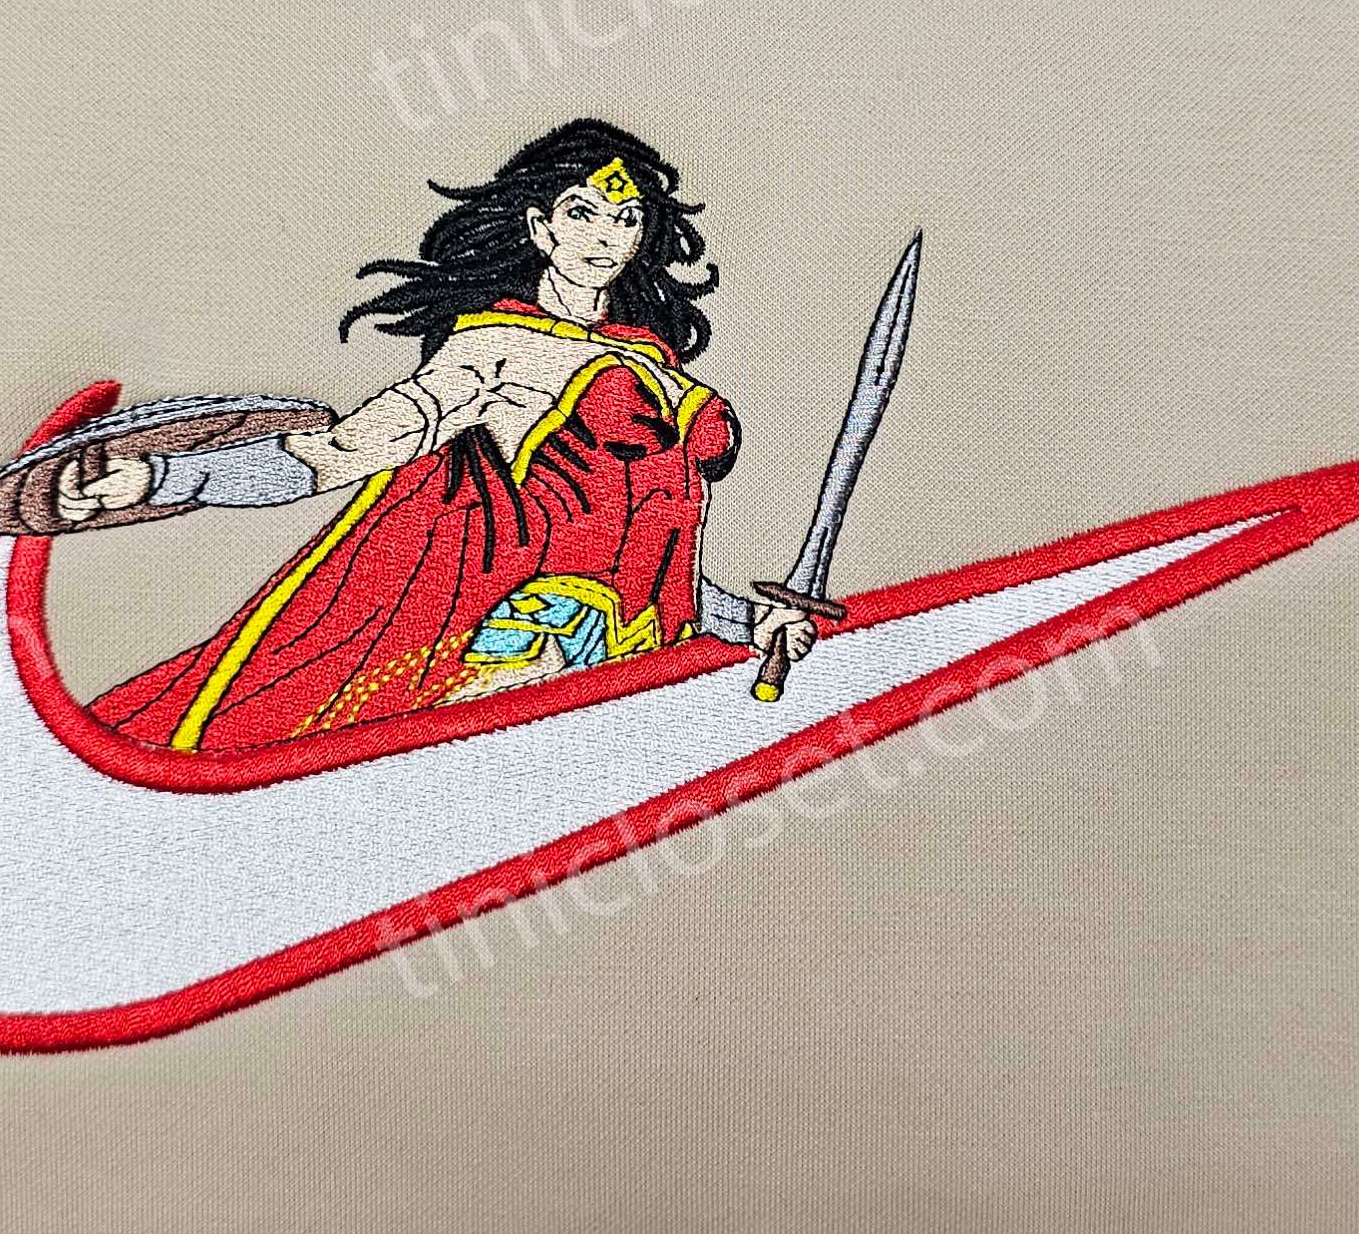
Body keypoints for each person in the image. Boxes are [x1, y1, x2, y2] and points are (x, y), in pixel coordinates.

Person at [53, 119, 816, 756]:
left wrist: (751, 623)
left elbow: (646, 557)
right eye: (582, 211)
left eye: (626, 219)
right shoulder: (494, 348)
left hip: (636, 661)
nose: (606, 236)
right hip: (526, 649)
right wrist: (163, 477)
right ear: (540, 227)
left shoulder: (656, 365)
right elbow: (340, 452)